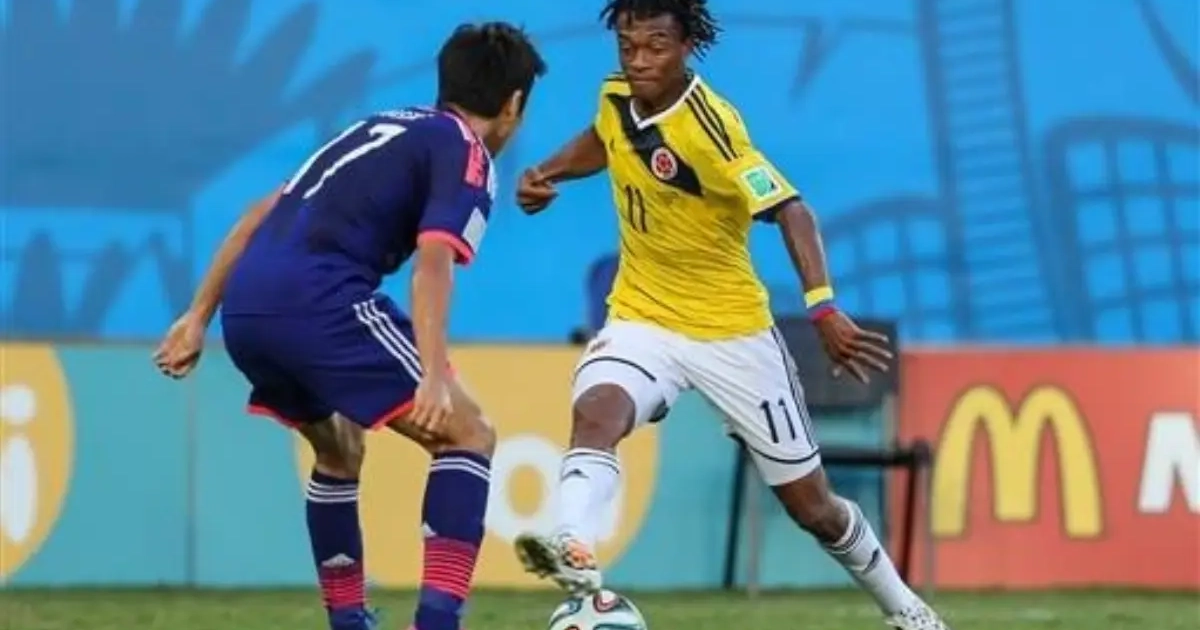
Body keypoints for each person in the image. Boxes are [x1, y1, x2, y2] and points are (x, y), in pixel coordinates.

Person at [512, 2, 949, 629]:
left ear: (687, 46)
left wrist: (823, 306)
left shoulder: (713, 130)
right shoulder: (616, 97)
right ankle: (573, 544)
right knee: (597, 413)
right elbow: (605, 137)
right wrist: (548, 171)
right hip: (642, 316)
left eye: (656, 46)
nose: (638, 61)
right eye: (628, 46)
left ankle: (906, 609)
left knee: (814, 509)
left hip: (731, 335)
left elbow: (792, 210)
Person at [152, 23, 546, 630]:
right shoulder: (466, 152)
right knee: (469, 434)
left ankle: (348, 621)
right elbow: (434, 263)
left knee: (340, 450)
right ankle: (437, 624)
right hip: (320, 301)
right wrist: (433, 375)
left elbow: (260, 211)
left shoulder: (379, 126)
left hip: (248, 307)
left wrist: (197, 315)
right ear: (514, 104)